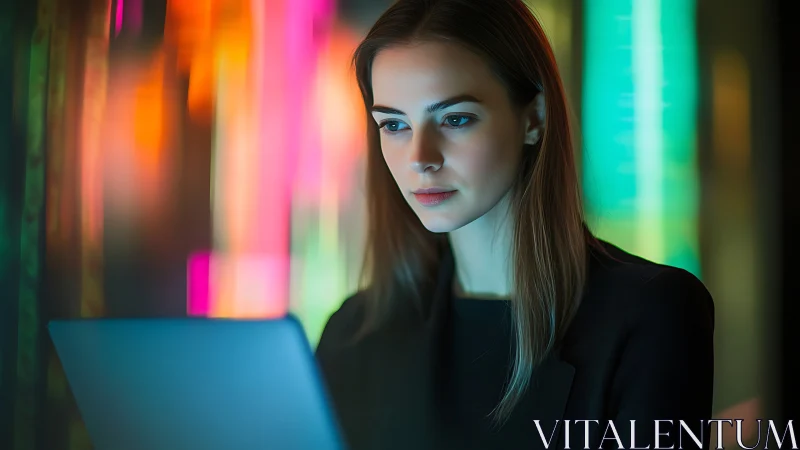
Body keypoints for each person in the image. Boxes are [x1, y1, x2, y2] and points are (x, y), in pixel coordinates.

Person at [315, 0, 715, 449]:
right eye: (393, 125)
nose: (420, 158)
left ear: (534, 118)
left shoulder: (650, 315)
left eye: (455, 119)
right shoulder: (352, 332)